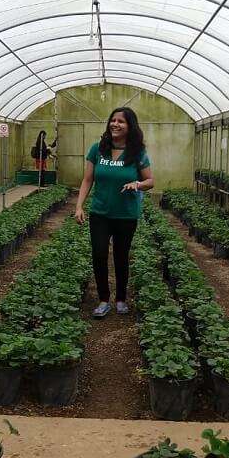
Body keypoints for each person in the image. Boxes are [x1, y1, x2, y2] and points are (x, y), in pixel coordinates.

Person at [75, 107, 154, 317]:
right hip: (100, 213)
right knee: (99, 254)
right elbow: (87, 180)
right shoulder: (98, 149)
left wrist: (137, 184)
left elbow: (150, 181)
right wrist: (79, 206)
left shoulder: (137, 153)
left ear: (130, 126)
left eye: (121, 121)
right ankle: (103, 300)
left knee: (121, 256)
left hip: (126, 215)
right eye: (113, 120)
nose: (115, 124)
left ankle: (120, 299)